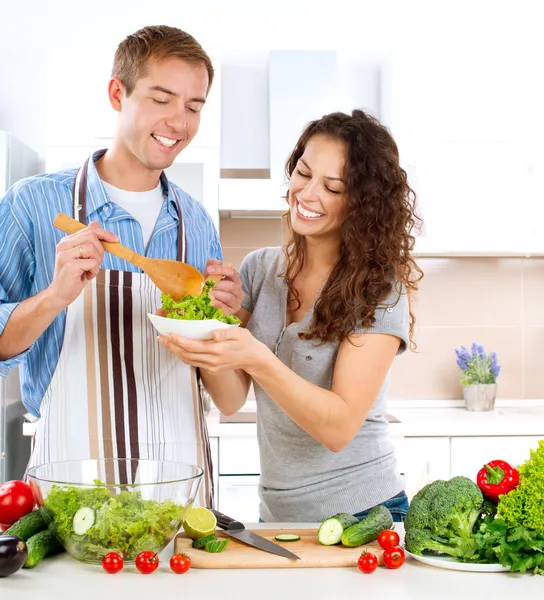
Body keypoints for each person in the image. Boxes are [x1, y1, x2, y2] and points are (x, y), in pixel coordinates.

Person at [0, 25, 243, 505]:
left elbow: (229, 398)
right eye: (161, 98)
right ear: (118, 93)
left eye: (194, 106)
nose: (179, 122)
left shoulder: (195, 222)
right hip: (73, 483)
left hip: (179, 491)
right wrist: (55, 297)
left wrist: (218, 322)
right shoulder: (33, 204)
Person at [160, 109, 423, 522]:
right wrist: (208, 329)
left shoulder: (380, 290)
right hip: (279, 514)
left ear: (362, 204)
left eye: (333, 187)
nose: (308, 193)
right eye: (303, 172)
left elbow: (338, 429)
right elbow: (229, 399)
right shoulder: (260, 269)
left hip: (365, 513)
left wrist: (255, 356)